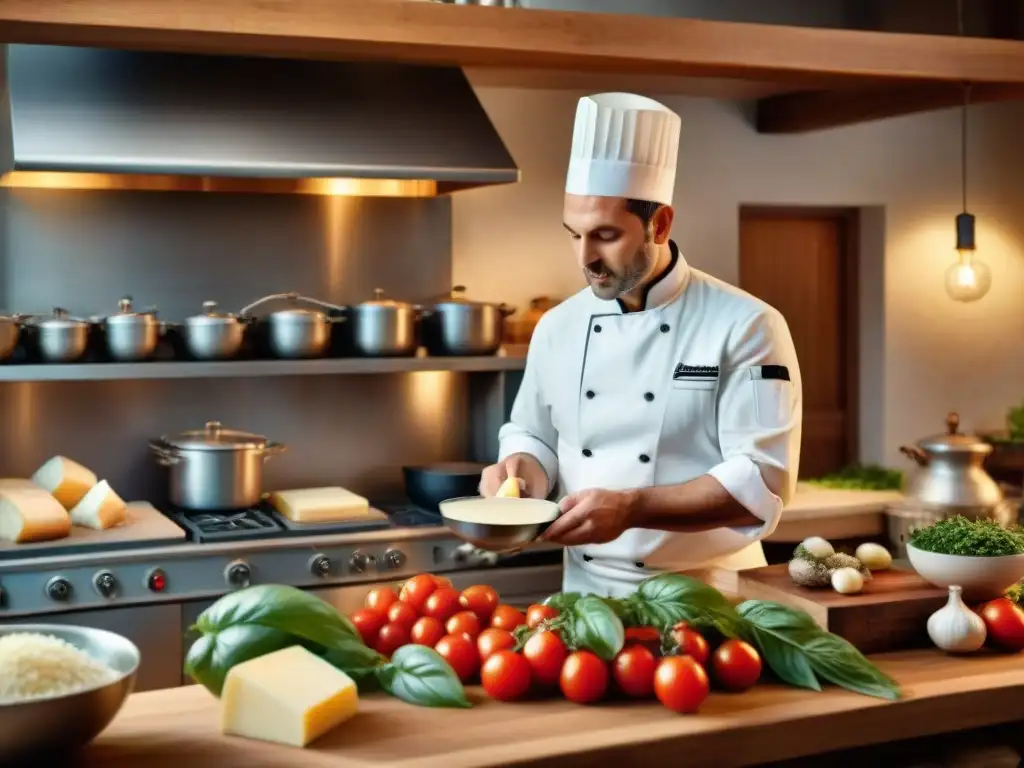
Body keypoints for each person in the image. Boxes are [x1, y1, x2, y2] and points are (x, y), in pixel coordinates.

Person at [479, 92, 803, 598]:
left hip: (709, 598)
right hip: (584, 598)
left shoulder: (748, 325)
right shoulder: (557, 327)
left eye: (606, 235)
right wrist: (519, 475)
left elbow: (760, 482)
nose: (585, 257)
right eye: (574, 234)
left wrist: (633, 507)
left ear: (661, 223)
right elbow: (532, 434)